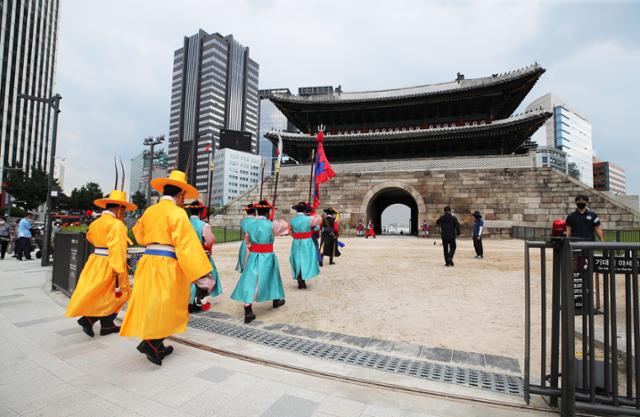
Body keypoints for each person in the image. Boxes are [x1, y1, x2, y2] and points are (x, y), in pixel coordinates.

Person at [119, 170, 212, 366]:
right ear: (180, 195)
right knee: (170, 304)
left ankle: (157, 344)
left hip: (148, 260)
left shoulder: (150, 211)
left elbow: (139, 235)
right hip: (167, 263)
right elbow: (186, 245)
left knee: (151, 302)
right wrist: (201, 273)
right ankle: (153, 343)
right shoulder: (178, 212)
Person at [65, 190, 137, 337]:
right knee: (119, 294)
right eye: (123, 209)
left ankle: (107, 325)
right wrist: (118, 268)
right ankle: (89, 319)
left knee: (101, 293)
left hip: (96, 260)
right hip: (110, 262)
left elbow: (90, 238)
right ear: (118, 208)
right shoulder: (116, 225)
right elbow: (117, 247)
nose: (124, 213)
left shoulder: (96, 222)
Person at [231, 200, 289, 323]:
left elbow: (247, 241)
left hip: (254, 254)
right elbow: (284, 228)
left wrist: (253, 248)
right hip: (267, 254)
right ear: (268, 212)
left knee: (251, 279)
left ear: (257, 211)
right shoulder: (270, 224)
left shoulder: (251, 225)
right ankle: (276, 300)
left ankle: (248, 308)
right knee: (272, 276)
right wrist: (274, 219)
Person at [185, 201, 222, 313]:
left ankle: (189, 300)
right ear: (201, 212)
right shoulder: (204, 225)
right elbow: (210, 241)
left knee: (189, 278)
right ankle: (195, 301)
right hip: (200, 255)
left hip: (186, 254)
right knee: (207, 277)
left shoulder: (184, 223)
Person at [289, 202, 322, 289]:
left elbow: (291, 232)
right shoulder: (309, 219)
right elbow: (317, 226)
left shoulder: (293, 220)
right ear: (305, 210)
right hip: (306, 241)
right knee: (306, 259)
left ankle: (299, 278)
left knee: (297, 259)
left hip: (296, 241)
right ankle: (303, 277)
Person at [236, 202, 257, 272]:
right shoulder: (256, 221)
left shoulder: (243, 221)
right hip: (253, 243)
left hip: (244, 243)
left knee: (244, 263)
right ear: (254, 212)